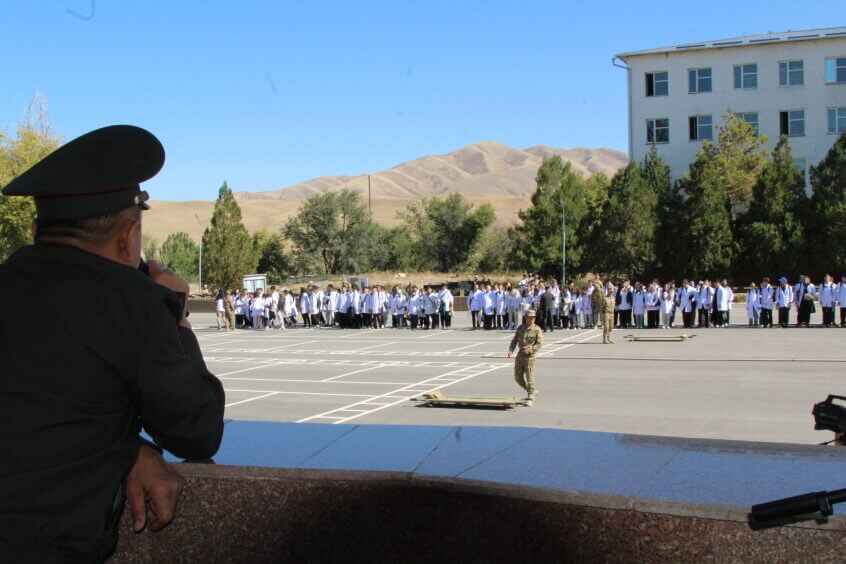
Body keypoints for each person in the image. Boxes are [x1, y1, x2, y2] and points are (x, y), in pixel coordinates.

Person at [0, 125, 224, 561]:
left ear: (36, 228)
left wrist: (126, 447)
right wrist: (176, 317)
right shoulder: (132, 304)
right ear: (127, 237)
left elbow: (39, 410)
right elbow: (198, 432)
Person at [507, 309, 544, 406]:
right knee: (517, 377)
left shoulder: (537, 329)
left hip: (530, 357)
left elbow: (539, 343)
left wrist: (531, 349)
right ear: (526, 318)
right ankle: (532, 391)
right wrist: (511, 350)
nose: (531, 319)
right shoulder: (520, 328)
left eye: (533, 317)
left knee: (530, 378)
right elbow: (514, 340)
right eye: (529, 317)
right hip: (520, 356)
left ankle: (530, 397)